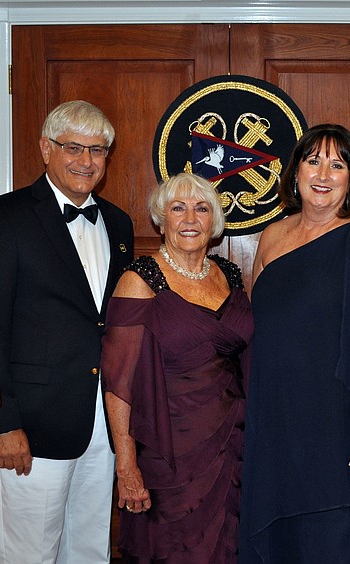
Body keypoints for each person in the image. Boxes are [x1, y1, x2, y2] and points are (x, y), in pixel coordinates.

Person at [0, 100, 134, 563]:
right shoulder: (5, 216)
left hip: (102, 421)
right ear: (45, 149)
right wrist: (1, 422)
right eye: (72, 148)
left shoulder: (118, 223)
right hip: (33, 425)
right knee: (31, 552)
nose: (86, 161)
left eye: (98, 150)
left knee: (90, 546)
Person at [239, 124, 350, 564]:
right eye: (313, 160)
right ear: (295, 171)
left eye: (337, 164)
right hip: (276, 425)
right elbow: (254, 328)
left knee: (334, 544)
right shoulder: (271, 236)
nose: (323, 173)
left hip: (337, 427)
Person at [100, 172, 253, 563]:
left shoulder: (229, 275)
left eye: (201, 209)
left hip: (233, 445)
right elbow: (118, 384)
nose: (190, 218)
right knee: (175, 550)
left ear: (214, 221)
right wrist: (126, 463)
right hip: (168, 451)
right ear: (161, 219)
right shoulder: (139, 280)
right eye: (178, 208)